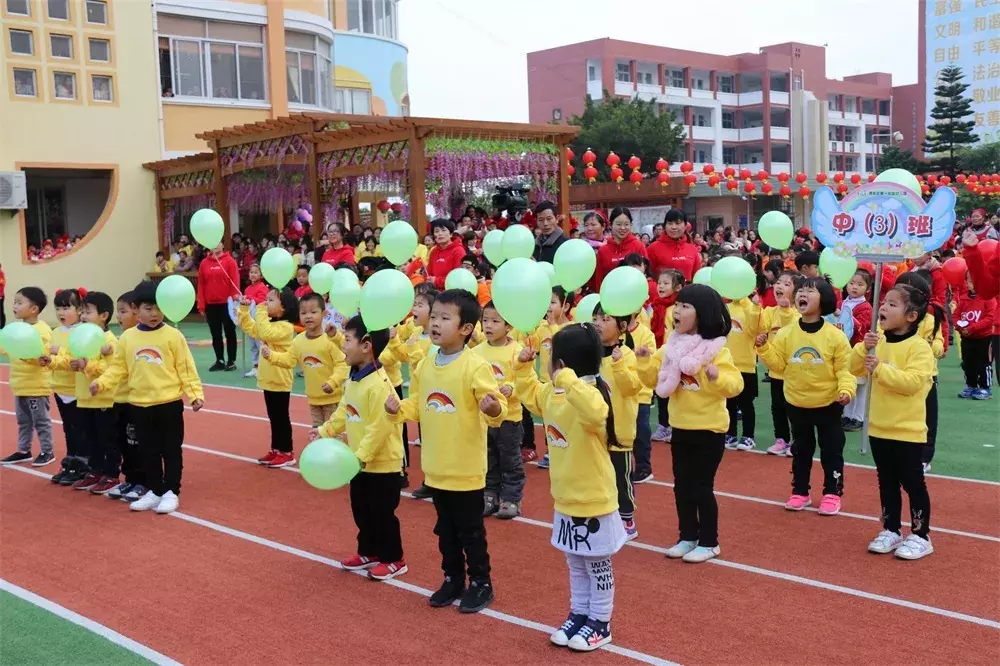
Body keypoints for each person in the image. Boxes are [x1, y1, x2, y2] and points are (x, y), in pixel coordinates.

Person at [384, 289, 508, 614]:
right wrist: (398, 407)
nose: (436, 323)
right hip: (436, 467)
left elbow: (497, 409)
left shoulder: (475, 366)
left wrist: (493, 407)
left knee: (471, 532)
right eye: (434, 315)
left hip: (465, 469)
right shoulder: (426, 364)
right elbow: (420, 405)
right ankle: (453, 578)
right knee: (445, 530)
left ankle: (481, 583)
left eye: (444, 317)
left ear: (466, 328)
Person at [515, 323, 625, 651]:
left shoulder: (589, 395)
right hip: (565, 498)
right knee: (575, 562)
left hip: (594, 500)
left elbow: (596, 411)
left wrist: (568, 380)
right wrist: (522, 367)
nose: (547, 364)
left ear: (563, 364)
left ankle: (600, 622)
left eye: (551, 358)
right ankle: (578, 613)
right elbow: (532, 396)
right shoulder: (555, 393)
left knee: (598, 565)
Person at [637, 284, 743, 563]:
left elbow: (735, 386)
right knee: (682, 486)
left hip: (709, 429)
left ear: (702, 314)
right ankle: (687, 536)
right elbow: (652, 382)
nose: (677, 311)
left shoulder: (716, 349)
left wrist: (715, 376)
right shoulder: (671, 345)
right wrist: (645, 363)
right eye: (678, 305)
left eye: (686, 306)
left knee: (701, 486)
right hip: (680, 428)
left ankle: (710, 542)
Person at [89, 281, 204, 514]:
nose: (154, 314)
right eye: (148, 308)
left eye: (159, 308)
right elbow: (119, 369)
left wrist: (194, 395)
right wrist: (101, 383)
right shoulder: (128, 338)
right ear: (136, 308)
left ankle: (171, 491)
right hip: (139, 404)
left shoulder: (173, 336)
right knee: (147, 451)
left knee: (170, 450)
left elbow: (186, 367)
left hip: (168, 403)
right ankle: (155, 490)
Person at [313, 316, 406, 581]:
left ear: (366, 346)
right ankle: (369, 552)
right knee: (361, 509)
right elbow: (345, 410)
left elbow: (381, 426)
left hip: (381, 463)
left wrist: (362, 456)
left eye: (347, 339)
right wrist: (325, 430)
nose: (342, 344)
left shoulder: (378, 384)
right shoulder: (355, 378)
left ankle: (393, 558)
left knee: (382, 512)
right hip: (358, 461)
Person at [756, 277, 854, 516]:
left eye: (810, 291)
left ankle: (832, 492)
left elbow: (845, 368)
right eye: (800, 290)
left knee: (831, 450)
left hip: (828, 403)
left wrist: (846, 390)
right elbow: (779, 366)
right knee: (801, 450)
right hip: (796, 402)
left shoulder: (835, 336)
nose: (803, 294)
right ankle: (800, 491)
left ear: (824, 300)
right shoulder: (787, 333)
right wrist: (764, 348)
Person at [850, 284, 935, 560]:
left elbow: (912, 383)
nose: (883, 307)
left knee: (912, 483)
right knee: (886, 481)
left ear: (911, 316)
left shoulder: (919, 348)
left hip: (907, 431)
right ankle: (891, 529)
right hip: (878, 426)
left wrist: (881, 368)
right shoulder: (879, 342)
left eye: (892, 304)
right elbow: (852, 368)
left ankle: (921, 535)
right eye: (883, 302)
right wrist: (864, 348)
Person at [48, 292, 118, 493]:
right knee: (91, 437)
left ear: (103, 316)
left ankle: (111, 474)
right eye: (82, 312)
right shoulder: (81, 336)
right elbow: (69, 358)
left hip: (103, 398)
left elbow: (111, 369)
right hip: (84, 396)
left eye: (87, 312)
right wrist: (51, 361)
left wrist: (88, 365)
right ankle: (94, 472)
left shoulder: (109, 340)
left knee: (107, 439)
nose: (83, 316)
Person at [591, 303, 642, 540]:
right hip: (593, 429)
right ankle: (602, 514)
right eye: (596, 318)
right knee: (596, 475)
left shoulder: (628, 356)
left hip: (619, 429)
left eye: (605, 319)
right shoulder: (588, 356)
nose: (598, 323)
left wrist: (619, 364)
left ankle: (626, 517)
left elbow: (632, 387)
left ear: (622, 326)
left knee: (620, 477)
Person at [474, 302, 529, 519]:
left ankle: (511, 498)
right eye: (485, 320)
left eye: (495, 321)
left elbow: (524, 379)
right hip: (484, 418)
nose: (488, 325)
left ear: (508, 326)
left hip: (510, 418)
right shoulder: (476, 352)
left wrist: (512, 387)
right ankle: (490, 495)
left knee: (510, 459)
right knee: (488, 459)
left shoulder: (517, 351)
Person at [266, 293, 348, 428]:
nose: (308, 316)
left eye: (313, 312)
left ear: (324, 314)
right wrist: (271, 355)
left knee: (332, 433)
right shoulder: (299, 340)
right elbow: (289, 360)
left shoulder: (331, 339)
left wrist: (333, 382)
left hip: (333, 398)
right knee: (317, 429)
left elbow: (343, 364)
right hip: (313, 398)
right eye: (303, 313)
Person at [239, 288, 299, 468]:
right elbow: (251, 328)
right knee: (274, 417)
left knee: (281, 417)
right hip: (268, 380)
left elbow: (265, 334)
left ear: (284, 308)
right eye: (265, 300)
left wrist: (260, 310)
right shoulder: (270, 323)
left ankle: (287, 452)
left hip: (280, 380)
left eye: (270, 301)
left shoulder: (286, 327)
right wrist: (243, 310)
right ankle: (276, 448)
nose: (265, 303)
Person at [0, 287, 54, 466]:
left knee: (41, 421)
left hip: (36, 386)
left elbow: (42, 357)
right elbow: (6, 347)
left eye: (19, 302)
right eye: (14, 302)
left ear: (34, 309)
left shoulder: (42, 330)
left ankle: (48, 451)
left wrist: (24, 354)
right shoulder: (16, 328)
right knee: (23, 421)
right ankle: (24, 450)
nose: (14, 306)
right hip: (19, 384)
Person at [528, 286, 573, 468]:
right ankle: (551, 450)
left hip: (563, 382)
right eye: (546, 302)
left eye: (553, 302)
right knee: (548, 418)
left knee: (563, 418)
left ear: (566, 306)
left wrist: (553, 325)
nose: (548, 307)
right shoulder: (542, 328)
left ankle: (565, 450)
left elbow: (561, 345)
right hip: (546, 382)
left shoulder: (569, 328)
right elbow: (535, 345)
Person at [759, 271, 803, 456]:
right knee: (777, 407)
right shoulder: (769, 312)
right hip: (775, 370)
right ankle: (781, 439)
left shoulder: (799, 314)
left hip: (794, 371)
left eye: (786, 284)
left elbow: (792, 329)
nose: (779, 286)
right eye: (778, 282)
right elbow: (761, 327)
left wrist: (785, 311)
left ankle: (797, 441)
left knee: (794, 408)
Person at [107, 290, 145, 501]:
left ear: (137, 313)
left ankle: (143, 481)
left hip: (135, 401)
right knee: (123, 442)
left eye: (123, 311)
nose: (118, 316)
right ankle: (130, 479)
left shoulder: (141, 340)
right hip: (118, 399)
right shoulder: (122, 339)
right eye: (118, 311)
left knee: (136, 443)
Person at [47, 289, 84, 483]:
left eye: (66, 307)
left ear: (79, 310)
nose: (61, 312)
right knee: (68, 429)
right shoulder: (55, 332)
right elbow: (54, 360)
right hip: (60, 389)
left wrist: (58, 351)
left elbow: (77, 359)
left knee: (81, 430)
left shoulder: (83, 332)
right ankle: (70, 463)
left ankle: (82, 465)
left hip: (77, 390)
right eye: (58, 308)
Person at [724, 294, 761, 451]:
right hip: (728, 363)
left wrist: (755, 308)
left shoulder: (752, 308)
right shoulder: (726, 307)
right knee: (729, 402)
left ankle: (748, 436)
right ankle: (730, 433)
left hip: (746, 365)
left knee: (746, 403)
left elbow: (755, 330)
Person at [197, 243, 241, 372]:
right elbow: (201, 285)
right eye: (212, 243)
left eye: (218, 243)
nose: (215, 246)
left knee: (230, 332)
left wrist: (235, 301)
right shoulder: (204, 263)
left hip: (227, 303)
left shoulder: (230, 261)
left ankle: (231, 361)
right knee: (215, 334)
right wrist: (201, 304)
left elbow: (235, 282)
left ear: (223, 245)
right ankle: (220, 360)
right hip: (211, 304)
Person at [840, 270, 874, 432]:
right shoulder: (843, 303)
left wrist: (846, 317)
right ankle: (847, 415)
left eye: (860, 284)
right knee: (848, 382)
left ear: (867, 289)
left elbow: (861, 326)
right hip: (845, 350)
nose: (854, 287)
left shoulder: (865, 307)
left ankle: (858, 418)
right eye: (852, 283)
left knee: (860, 386)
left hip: (859, 350)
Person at [954, 269, 995, 400]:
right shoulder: (964, 298)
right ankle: (971, 386)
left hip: (984, 337)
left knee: (983, 364)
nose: (970, 283)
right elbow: (955, 316)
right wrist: (960, 328)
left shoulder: (988, 297)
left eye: (974, 280)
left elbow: (990, 318)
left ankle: (985, 388)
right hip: (967, 338)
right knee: (967, 363)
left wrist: (972, 328)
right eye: (968, 280)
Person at [595, 207, 646, 288]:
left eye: (626, 224)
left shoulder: (638, 246)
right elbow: (599, 279)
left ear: (631, 225)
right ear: (610, 225)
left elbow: (646, 274)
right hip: (611, 296)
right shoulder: (603, 251)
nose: (623, 228)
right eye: (618, 224)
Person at [647, 209, 701, 281]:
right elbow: (649, 277)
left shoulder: (692, 249)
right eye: (670, 223)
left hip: (688, 292)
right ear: (665, 226)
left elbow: (697, 277)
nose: (673, 227)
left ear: (685, 226)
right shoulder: (653, 248)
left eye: (678, 223)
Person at [242, 263, 269, 378]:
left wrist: (250, 298)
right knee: (252, 344)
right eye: (251, 272)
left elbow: (262, 301)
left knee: (259, 343)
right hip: (249, 320)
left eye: (256, 272)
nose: (253, 275)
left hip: (259, 320)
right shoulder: (247, 289)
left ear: (261, 275)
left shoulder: (263, 287)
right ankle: (255, 365)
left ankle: (263, 366)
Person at [426, 219, 467, 289]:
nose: (440, 233)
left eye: (443, 230)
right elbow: (429, 273)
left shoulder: (458, 251)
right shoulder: (434, 251)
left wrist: (437, 281)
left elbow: (459, 277)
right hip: (434, 291)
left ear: (451, 234)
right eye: (436, 231)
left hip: (452, 292)